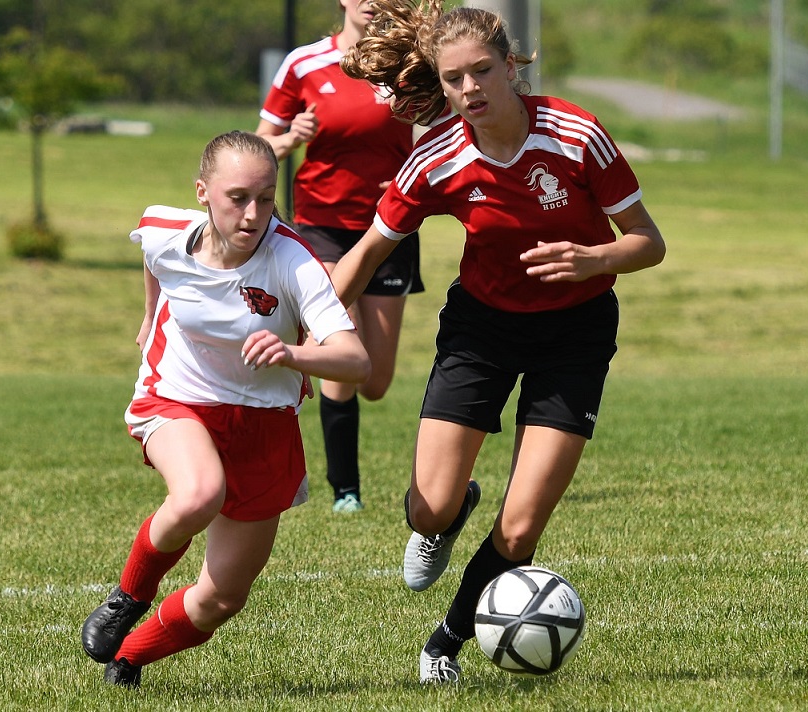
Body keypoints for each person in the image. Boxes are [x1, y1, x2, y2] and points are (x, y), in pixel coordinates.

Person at [334, 0, 666, 684]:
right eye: (454, 79)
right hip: (481, 330)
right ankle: (446, 518)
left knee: (520, 531)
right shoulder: (436, 157)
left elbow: (649, 244)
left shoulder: (577, 135)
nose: (470, 89)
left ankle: (444, 645)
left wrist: (593, 259)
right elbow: (368, 251)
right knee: (428, 506)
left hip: (574, 333)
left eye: (483, 71)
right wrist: (308, 332)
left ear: (512, 67)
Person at [80, 130, 370, 688]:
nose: (254, 213)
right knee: (197, 493)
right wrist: (149, 314)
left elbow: (355, 361)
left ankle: (129, 658)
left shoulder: (292, 259)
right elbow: (152, 253)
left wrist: (292, 352)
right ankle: (128, 596)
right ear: (202, 193)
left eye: (266, 198)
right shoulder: (168, 231)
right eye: (238, 197)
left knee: (222, 596)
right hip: (178, 397)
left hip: (263, 425)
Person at [257, 0, 426, 514]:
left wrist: (411, 178)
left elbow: (443, 129)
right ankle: (345, 490)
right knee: (340, 350)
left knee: (373, 380)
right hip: (322, 227)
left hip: (391, 228)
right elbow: (259, 147)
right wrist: (291, 138)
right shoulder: (303, 64)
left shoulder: (408, 60)